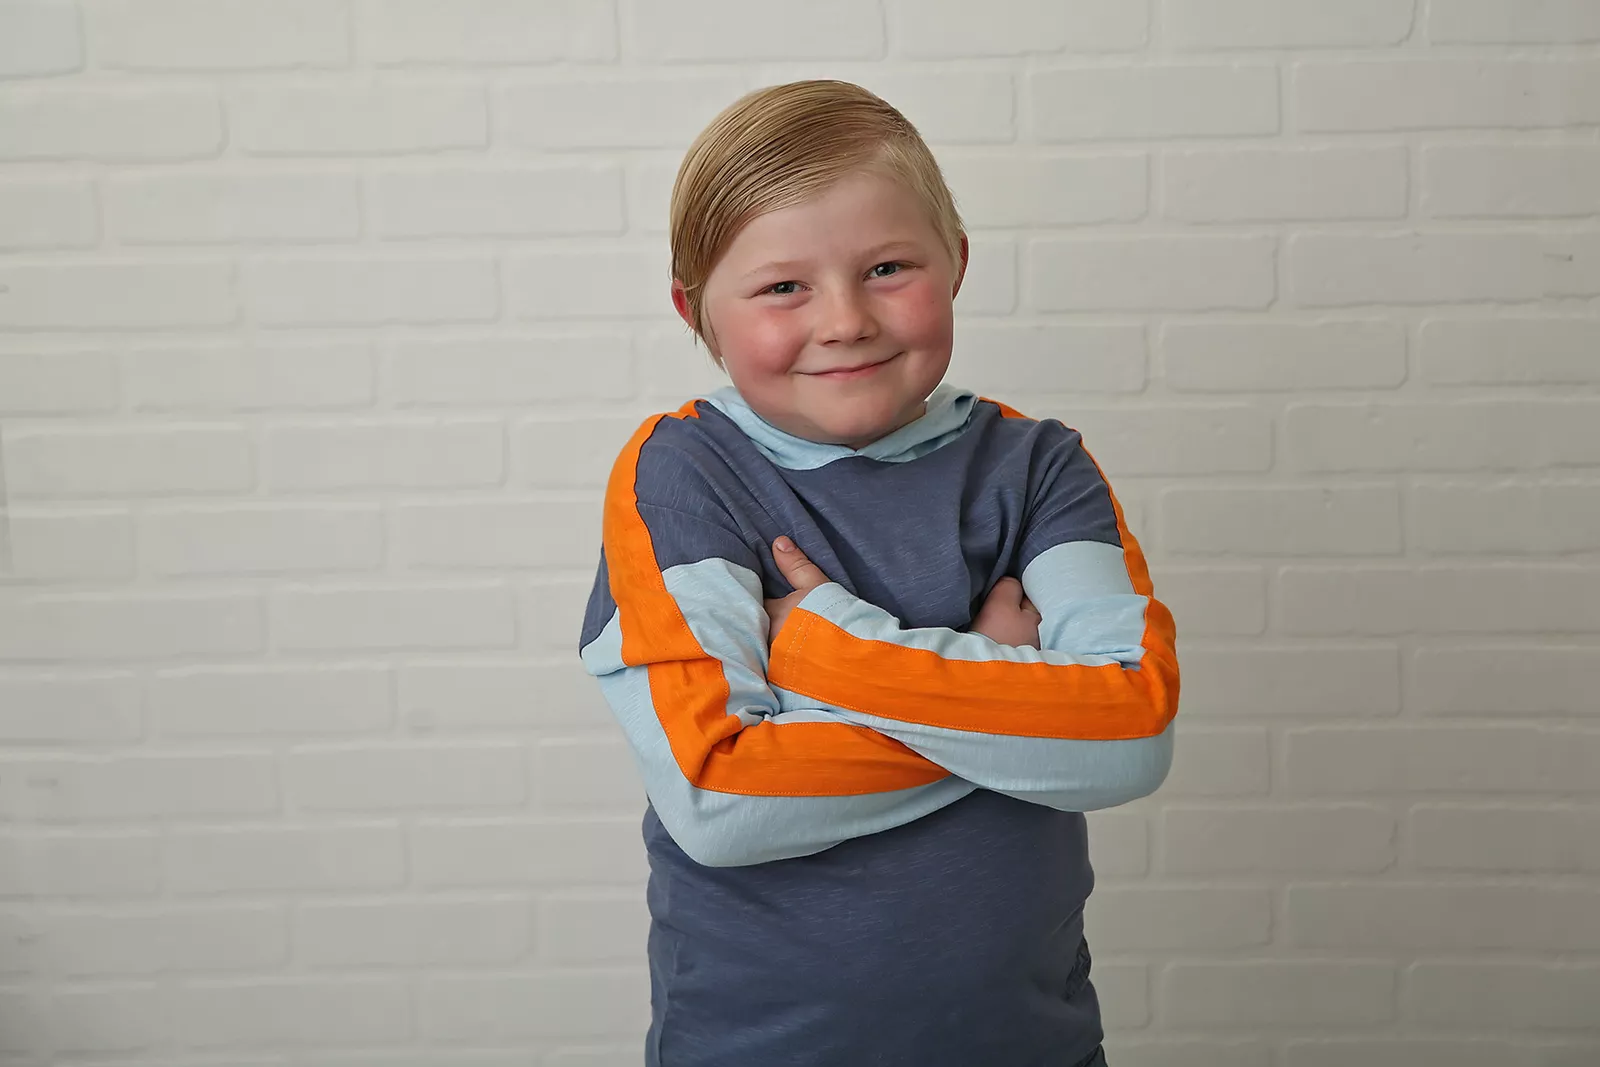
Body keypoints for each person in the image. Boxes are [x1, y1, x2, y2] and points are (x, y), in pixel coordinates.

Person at [578, 79, 1179, 1067]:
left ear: (957, 262)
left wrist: (828, 650)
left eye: (888, 268)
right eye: (783, 287)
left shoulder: (1038, 468)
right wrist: (1001, 684)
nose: (846, 320)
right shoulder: (684, 475)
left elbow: (1129, 735)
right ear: (695, 309)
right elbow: (718, 794)